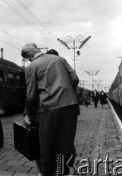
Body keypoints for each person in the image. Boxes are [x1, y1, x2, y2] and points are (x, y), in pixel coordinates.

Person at [21, 43, 80, 175]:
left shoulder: (32, 66)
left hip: (49, 109)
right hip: (70, 106)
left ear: (28, 57)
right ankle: (63, 171)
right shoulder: (60, 59)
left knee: (46, 145)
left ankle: (48, 173)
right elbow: (75, 79)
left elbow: (31, 96)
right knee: (66, 143)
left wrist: (30, 116)